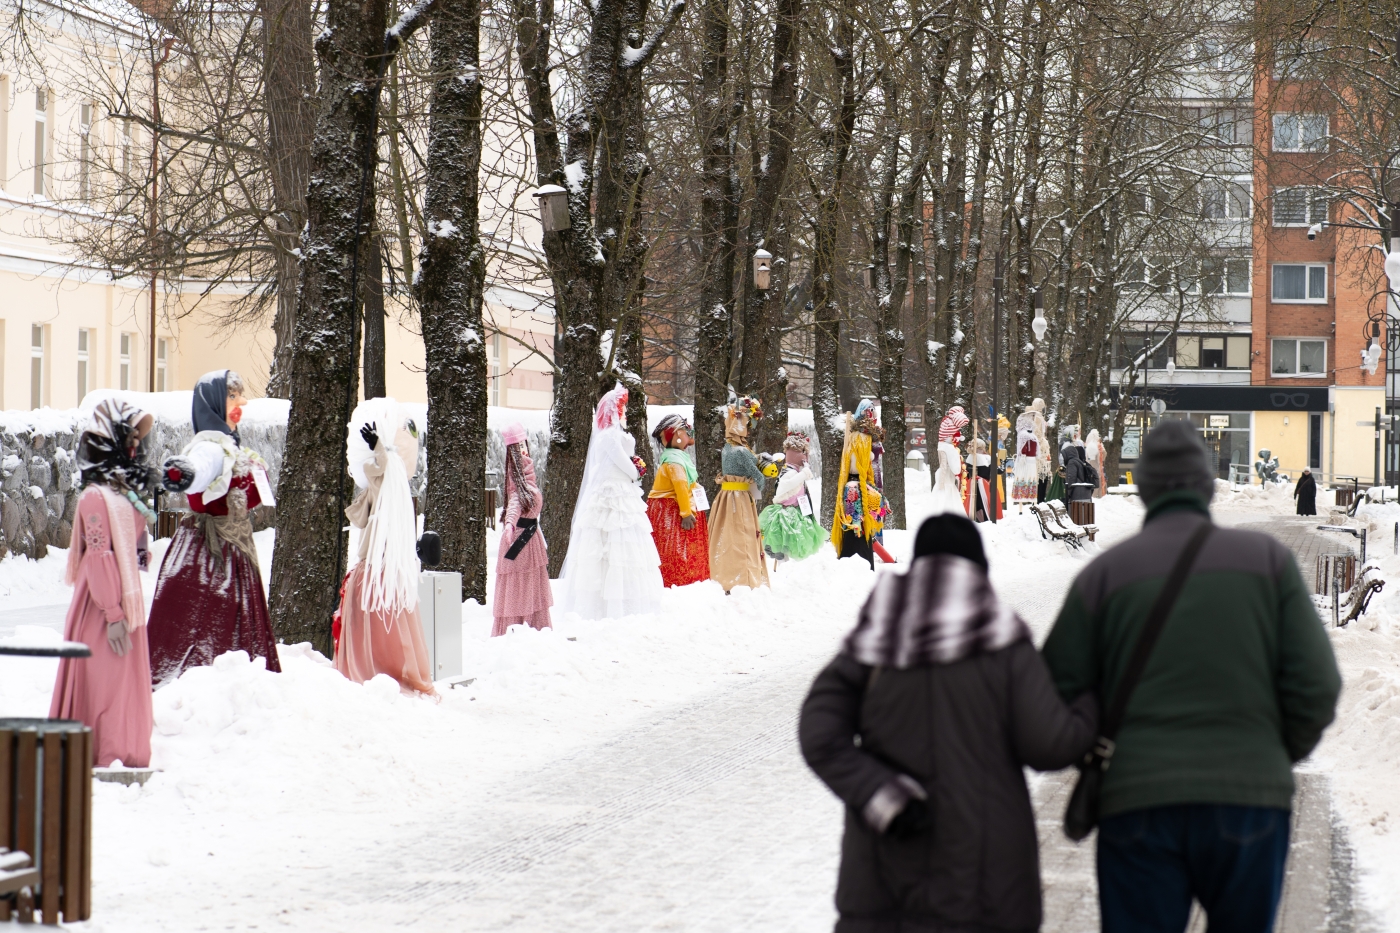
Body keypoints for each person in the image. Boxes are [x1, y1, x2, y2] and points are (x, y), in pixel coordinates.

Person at [1042, 420, 1341, 932]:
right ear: (1206, 485)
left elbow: (1050, 698)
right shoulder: (1268, 563)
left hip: (1138, 801)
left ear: (1145, 489)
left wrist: (1098, 750)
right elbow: (1318, 685)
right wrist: (1271, 752)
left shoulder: (1105, 575)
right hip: (1249, 798)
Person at [799, 513, 1098, 933]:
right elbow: (1049, 745)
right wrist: (1090, 701)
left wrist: (882, 794)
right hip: (986, 885)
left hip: (884, 881)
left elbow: (819, 733)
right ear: (979, 571)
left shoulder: (874, 641)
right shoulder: (1005, 643)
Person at [147, 370, 281, 685]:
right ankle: (208, 688)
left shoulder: (229, 446)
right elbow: (198, 469)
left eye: (240, 396)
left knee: (225, 619)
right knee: (208, 623)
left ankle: (234, 685)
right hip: (210, 554)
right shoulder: (209, 447)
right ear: (214, 405)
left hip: (233, 547)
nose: (241, 403)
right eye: (232, 397)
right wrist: (183, 474)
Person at [49, 400, 157, 767]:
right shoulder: (95, 497)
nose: (136, 444)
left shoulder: (122, 491)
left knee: (122, 681)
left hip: (125, 601)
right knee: (106, 681)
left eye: (138, 437)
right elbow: (99, 556)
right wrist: (113, 613)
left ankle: (123, 750)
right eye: (131, 436)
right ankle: (104, 751)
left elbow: (135, 548)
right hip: (101, 606)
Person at [333, 398, 435, 695]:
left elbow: (382, 469)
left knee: (375, 618)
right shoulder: (395, 488)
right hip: (386, 569)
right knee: (390, 621)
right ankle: (383, 669)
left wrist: (379, 447)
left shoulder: (388, 483)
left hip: (379, 568)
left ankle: (371, 669)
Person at [556, 383, 664, 618]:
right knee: (612, 544)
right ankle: (607, 607)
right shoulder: (610, 437)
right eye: (622, 407)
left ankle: (618, 602)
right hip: (613, 493)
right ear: (615, 410)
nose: (625, 412)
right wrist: (636, 467)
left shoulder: (610, 436)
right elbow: (626, 466)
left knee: (619, 546)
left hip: (616, 491)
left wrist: (634, 464)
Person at [492, 423, 553, 636]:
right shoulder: (518, 483)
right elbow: (514, 504)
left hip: (528, 539)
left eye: (524, 446)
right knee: (520, 587)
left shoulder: (526, 480)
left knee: (529, 586)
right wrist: (509, 525)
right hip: (519, 541)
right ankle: (517, 631)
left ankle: (533, 628)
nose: (525, 452)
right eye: (520, 448)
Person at [709, 396, 770, 592]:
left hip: (725, 497)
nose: (749, 430)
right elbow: (757, 476)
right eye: (747, 425)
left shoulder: (727, 449)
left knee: (726, 536)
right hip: (740, 499)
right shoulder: (741, 452)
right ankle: (743, 578)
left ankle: (722, 573)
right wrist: (764, 472)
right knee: (742, 536)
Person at [647, 414, 711, 586]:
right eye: (684, 431)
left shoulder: (677, 458)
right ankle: (680, 580)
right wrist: (686, 512)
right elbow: (680, 486)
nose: (688, 435)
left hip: (673, 506)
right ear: (675, 434)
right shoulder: (674, 461)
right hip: (670, 510)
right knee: (676, 548)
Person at [832, 402, 889, 567]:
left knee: (864, 519)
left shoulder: (863, 436)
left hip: (865, 482)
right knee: (855, 522)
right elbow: (854, 463)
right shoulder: (860, 437)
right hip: (856, 484)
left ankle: (859, 554)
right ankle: (856, 555)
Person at [758, 431, 826, 563]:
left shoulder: (794, 471)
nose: (806, 458)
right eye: (803, 453)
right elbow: (785, 487)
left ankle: (788, 564)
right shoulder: (789, 473)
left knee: (792, 541)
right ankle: (782, 562)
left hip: (797, 511)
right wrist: (804, 473)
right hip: (786, 513)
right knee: (784, 539)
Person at [930, 407, 968, 515]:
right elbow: (956, 469)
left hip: (940, 481)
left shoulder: (941, 446)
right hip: (949, 483)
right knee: (951, 507)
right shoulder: (950, 449)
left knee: (937, 505)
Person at [1085, 428, 1108, 497]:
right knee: (1099, 481)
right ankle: (1100, 495)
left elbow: (1090, 458)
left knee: (1095, 481)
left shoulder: (1091, 445)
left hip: (1093, 467)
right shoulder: (1099, 445)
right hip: (1098, 467)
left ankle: (1094, 495)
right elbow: (1104, 454)